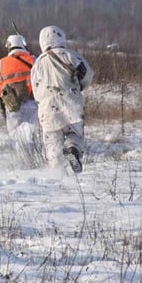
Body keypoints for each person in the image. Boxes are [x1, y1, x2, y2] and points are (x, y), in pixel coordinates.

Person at [30, 26, 94, 174]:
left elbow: (35, 89)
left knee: (52, 142)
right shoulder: (72, 56)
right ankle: (72, 149)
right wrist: (79, 87)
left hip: (47, 108)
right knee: (75, 134)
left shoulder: (38, 63)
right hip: (71, 102)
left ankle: (57, 175)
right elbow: (88, 76)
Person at [0, 34, 43, 167]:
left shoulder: (2, 62)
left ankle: (23, 162)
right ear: (23, 45)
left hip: (12, 104)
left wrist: (2, 93)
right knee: (34, 132)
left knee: (16, 134)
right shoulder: (33, 59)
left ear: (9, 46)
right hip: (33, 102)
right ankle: (37, 159)